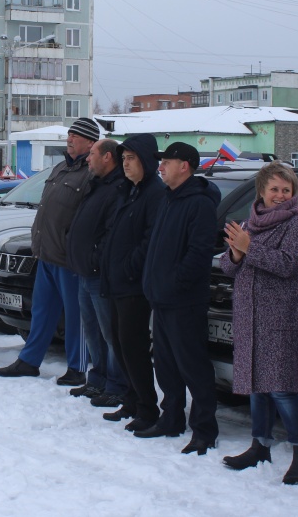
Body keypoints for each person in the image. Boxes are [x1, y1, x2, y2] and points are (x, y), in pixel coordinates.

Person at [221, 161, 298, 483]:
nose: (280, 195)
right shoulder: (249, 224)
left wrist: (249, 248)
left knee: (282, 388)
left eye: (286, 190)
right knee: (257, 388)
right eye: (274, 189)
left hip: (278, 319)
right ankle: (259, 445)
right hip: (249, 316)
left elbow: (287, 264)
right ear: (261, 191)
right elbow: (229, 268)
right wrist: (235, 253)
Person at [0, 117, 98, 384]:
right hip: (46, 253)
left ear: (90, 142)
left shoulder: (91, 173)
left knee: (76, 316)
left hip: (68, 258)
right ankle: (29, 361)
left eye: (76, 136)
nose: (70, 139)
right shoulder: (61, 167)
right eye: (70, 134)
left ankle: (78, 367)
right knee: (42, 311)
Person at [136, 142, 221, 456]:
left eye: (166, 162)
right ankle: (170, 419)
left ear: (184, 165)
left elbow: (199, 254)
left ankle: (204, 430)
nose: (160, 167)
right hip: (161, 298)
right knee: (167, 367)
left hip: (184, 301)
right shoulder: (169, 199)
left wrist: (173, 284)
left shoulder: (199, 203)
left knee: (193, 366)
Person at [99, 133, 165, 431]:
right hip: (115, 281)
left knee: (133, 346)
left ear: (146, 161)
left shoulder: (154, 193)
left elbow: (150, 240)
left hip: (134, 284)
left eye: (131, 159)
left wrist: (127, 267)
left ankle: (148, 407)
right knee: (119, 342)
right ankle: (131, 398)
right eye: (123, 159)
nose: (125, 165)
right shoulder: (128, 190)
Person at [64, 138, 129, 406]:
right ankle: (98, 379)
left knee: (109, 333)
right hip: (83, 271)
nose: (87, 159)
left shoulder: (117, 188)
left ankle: (116, 384)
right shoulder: (96, 184)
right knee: (91, 330)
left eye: (92, 154)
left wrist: (94, 258)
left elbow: (112, 232)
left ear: (107, 158)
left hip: (99, 273)